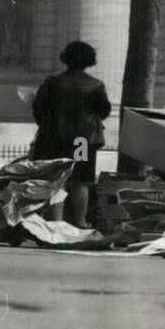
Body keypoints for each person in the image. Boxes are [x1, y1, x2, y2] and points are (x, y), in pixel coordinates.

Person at [31, 41, 111, 228]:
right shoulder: (96, 85)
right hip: (81, 140)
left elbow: (39, 108)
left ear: (66, 58)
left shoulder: (52, 82)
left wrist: (46, 127)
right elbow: (104, 111)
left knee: (57, 178)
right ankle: (81, 220)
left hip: (54, 138)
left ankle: (56, 221)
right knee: (80, 179)